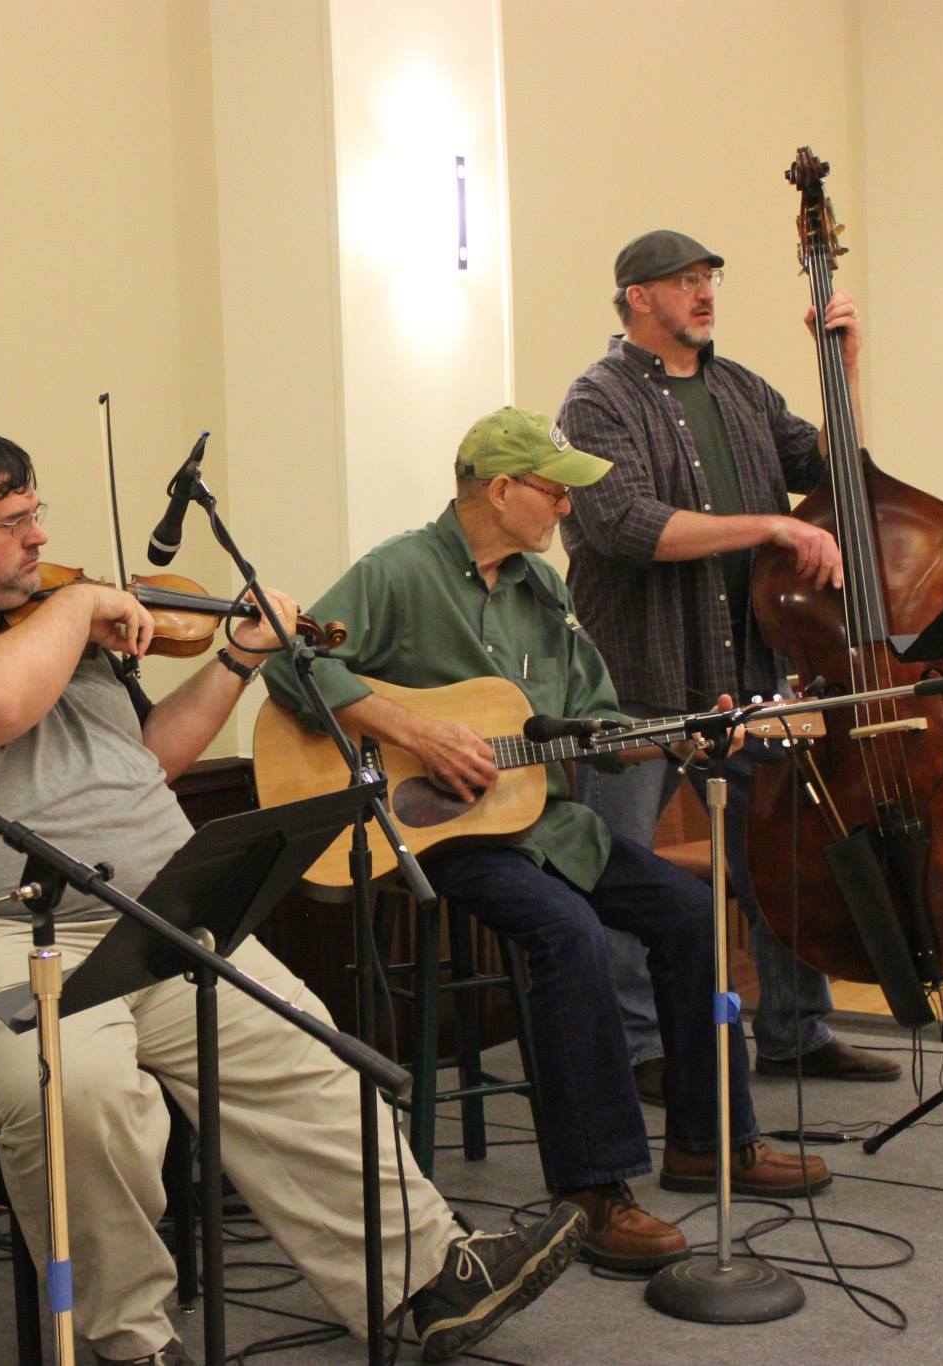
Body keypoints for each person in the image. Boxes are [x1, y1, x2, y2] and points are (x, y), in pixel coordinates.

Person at [0, 426, 585, 1366]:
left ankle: (429, 1278)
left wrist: (238, 658)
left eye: (36, 514)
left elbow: (150, 760)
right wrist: (83, 604)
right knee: (85, 1087)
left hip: (136, 923)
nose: (37, 537)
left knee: (299, 1039)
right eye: (12, 521)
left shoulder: (56, 635)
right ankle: (129, 1343)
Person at [260, 407, 829, 1275]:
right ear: (500, 490)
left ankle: (709, 1140)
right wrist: (416, 729)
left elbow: (596, 723)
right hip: (443, 832)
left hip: (547, 823)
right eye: (554, 491)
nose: (567, 508)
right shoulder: (398, 572)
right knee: (570, 935)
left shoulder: (547, 592)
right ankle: (592, 1190)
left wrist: (683, 737)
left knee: (689, 911)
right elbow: (289, 663)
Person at [555, 229, 901, 1097]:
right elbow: (625, 525)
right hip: (637, 682)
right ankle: (639, 1050)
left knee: (785, 853)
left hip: (749, 674)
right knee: (620, 864)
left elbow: (835, 474)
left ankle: (796, 1030)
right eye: (685, 280)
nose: (705, 292)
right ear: (638, 297)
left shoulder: (741, 389)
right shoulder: (596, 400)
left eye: (710, 277)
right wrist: (771, 525)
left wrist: (845, 370)